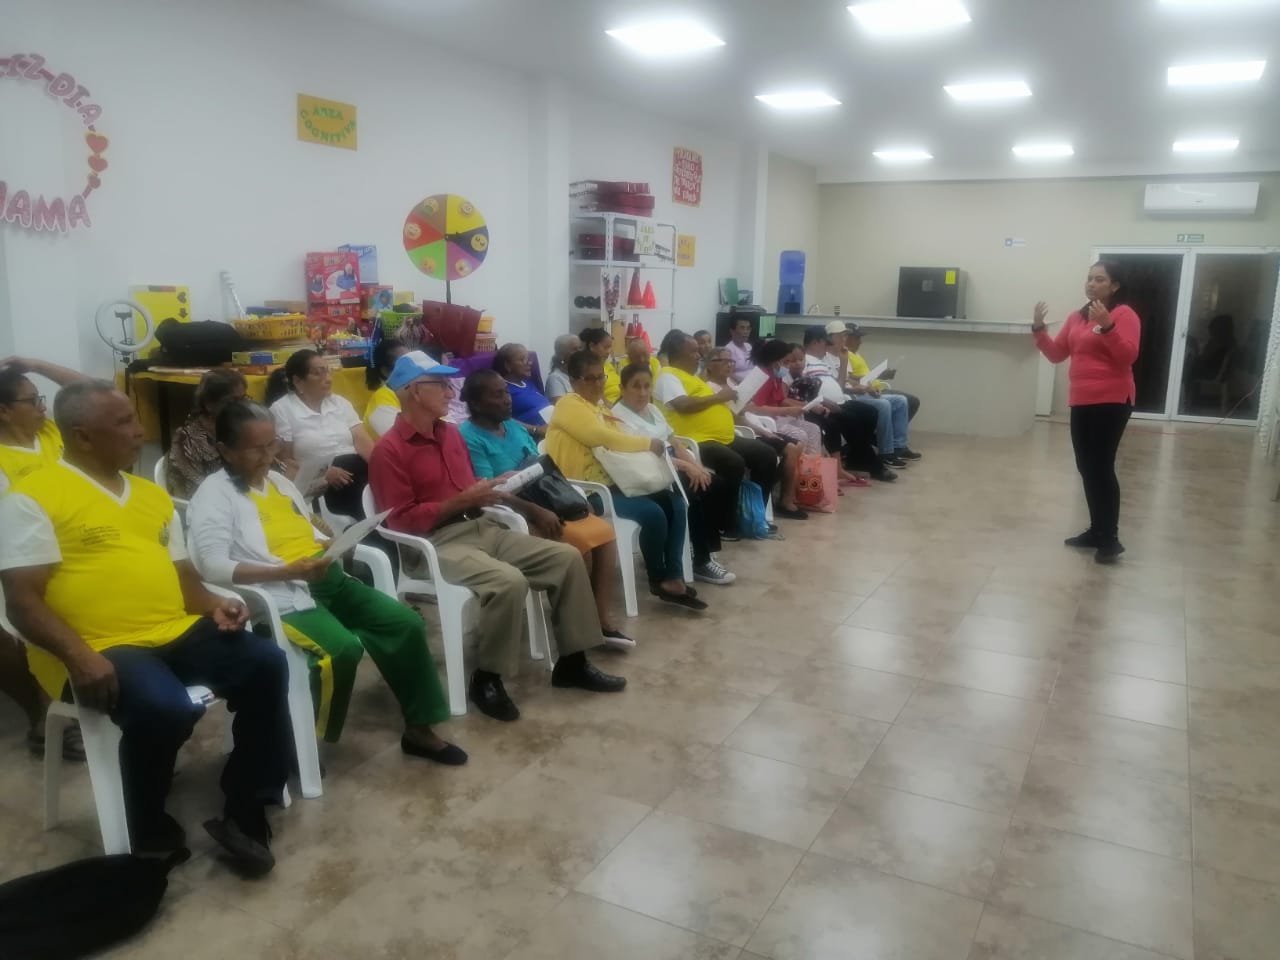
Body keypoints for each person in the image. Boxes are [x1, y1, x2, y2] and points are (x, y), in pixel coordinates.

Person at [0, 381, 291, 874]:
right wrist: (79, 657)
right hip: (96, 645)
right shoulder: (32, 498)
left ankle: (246, 807)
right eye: (124, 422)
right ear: (82, 435)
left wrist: (216, 604)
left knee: (265, 662)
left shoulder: (152, 497)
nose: (139, 431)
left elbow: (185, 582)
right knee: (163, 707)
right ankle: (146, 823)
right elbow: (21, 603)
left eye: (134, 419)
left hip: (171, 628)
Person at [187, 401, 463, 763]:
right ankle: (296, 747)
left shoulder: (279, 483)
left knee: (405, 623)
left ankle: (419, 728)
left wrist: (333, 544)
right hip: (281, 593)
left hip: (326, 578)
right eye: (257, 449)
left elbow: (305, 529)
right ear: (225, 450)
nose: (269, 457)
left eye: (272, 445)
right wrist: (286, 572)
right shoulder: (214, 495)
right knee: (341, 650)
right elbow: (212, 566)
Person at [368, 351, 626, 722]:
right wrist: (462, 500)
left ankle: (573, 662)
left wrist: (490, 487)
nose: (450, 392)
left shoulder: (449, 434)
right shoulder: (388, 451)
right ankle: (487, 677)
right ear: (413, 391)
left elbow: (465, 487)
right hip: (433, 545)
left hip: (481, 526)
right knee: (508, 581)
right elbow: (399, 522)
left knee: (566, 557)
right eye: (440, 384)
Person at [458, 369, 631, 646]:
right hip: (508, 513)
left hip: (544, 498)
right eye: (497, 395)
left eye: (506, 392)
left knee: (604, 534)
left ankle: (600, 619)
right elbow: (489, 491)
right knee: (578, 548)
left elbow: (543, 467)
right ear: (476, 404)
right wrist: (534, 511)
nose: (507, 399)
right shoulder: (468, 437)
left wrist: (572, 495)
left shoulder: (512, 426)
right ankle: (577, 631)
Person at [548, 351, 706, 610]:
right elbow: (600, 437)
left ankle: (673, 576)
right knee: (653, 513)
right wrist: (648, 443)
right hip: (586, 491)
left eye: (601, 377)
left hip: (616, 482)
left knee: (675, 502)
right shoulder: (569, 404)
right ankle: (658, 578)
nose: (598, 384)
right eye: (590, 378)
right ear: (574, 381)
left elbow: (620, 442)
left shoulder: (600, 407)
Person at [0, 356, 88, 760]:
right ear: (4, 411)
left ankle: (79, 701)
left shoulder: (51, 433)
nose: (41, 407)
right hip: (22, 556)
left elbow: (89, 391)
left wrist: (33, 365)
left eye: (41, 398)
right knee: (14, 623)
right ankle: (45, 716)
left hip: (78, 543)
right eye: (32, 400)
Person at [1032, 260, 1141, 564]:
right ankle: (1096, 531)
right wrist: (1039, 329)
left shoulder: (1124, 314)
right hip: (1081, 401)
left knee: (1101, 467)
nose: (1092, 284)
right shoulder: (1076, 318)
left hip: (1112, 400)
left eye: (1100, 279)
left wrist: (1108, 327)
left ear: (1114, 286)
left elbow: (1127, 356)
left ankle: (1110, 539)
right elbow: (1056, 354)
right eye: (1089, 278)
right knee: (1086, 467)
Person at [612, 363, 736, 586]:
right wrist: (688, 468)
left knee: (715, 484)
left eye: (647, 386)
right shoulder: (619, 418)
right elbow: (647, 457)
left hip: (672, 465)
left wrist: (697, 466)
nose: (642, 392)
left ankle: (701, 547)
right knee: (695, 491)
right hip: (650, 473)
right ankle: (701, 561)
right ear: (622, 388)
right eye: (636, 386)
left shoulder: (652, 410)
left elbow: (674, 442)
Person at [655, 330, 789, 536]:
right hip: (697, 439)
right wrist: (719, 397)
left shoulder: (693, 379)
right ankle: (727, 524)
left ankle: (754, 516)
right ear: (678, 353)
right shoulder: (669, 376)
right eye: (693, 352)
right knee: (734, 463)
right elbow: (683, 405)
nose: (699, 356)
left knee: (767, 455)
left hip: (724, 436)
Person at [266, 349, 375, 520]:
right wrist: (323, 474)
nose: (328, 379)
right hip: (321, 484)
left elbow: (363, 441)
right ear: (298, 381)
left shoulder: (340, 403)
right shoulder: (282, 410)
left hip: (355, 470)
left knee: (381, 487)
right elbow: (285, 461)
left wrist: (382, 467)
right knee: (362, 500)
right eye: (318, 373)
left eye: (328, 371)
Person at [703, 347, 808, 520]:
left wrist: (754, 415)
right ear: (709, 365)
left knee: (797, 445)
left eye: (731, 361)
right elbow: (734, 417)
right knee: (788, 449)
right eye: (724, 361)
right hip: (744, 430)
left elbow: (748, 408)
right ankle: (781, 502)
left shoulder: (731, 384)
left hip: (755, 424)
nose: (729, 365)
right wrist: (763, 431)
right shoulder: (710, 389)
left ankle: (777, 498)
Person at [795, 333, 895, 483]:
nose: (827, 348)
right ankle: (874, 465)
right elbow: (805, 391)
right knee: (851, 420)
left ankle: (856, 458)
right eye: (825, 344)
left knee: (870, 412)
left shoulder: (822, 362)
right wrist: (825, 402)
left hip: (840, 400)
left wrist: (844, 362)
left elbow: (840, 386)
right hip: (822, 405)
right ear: (815, 342)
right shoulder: (803, 361)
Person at [824, 320, 914, 468]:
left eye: (845, 336)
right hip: (848, 396)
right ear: (829, 338)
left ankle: (899, 446)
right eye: (840, 336)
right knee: (883, 405)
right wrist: (858, 388)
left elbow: (849, 379)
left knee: (900, 400)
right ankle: (886, 453)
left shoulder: (844, 354)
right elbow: (836, 387)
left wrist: (866, 387)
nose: (844, 339)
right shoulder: (826, 358)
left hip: (858, 391)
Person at [166, 368, 249, 499]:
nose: (242, 407)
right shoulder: (187, 440)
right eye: (233, 401)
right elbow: (193, 493)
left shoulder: (240, 430)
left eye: (244, 399)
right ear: (209, 404)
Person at [843, 322, 923, 445]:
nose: (860, 342)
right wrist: (877, 376)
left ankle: (893, 439)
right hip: (866, 391)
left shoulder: (856, 354)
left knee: (909, 401)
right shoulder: (844, 355)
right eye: (857, 338)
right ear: (847, 337)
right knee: (911, 401)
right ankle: (887, 438)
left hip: (876, 387)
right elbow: (848, 378)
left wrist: (881, 375)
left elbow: (863, 375)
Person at [491, 343, 552, 437]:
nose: (529, 363)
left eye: (528, 359)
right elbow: (503, 420)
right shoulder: (503, 389)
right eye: (522, 359)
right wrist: (536, 429)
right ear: (507, 366)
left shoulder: (528, 382)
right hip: (536, 436)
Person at [363, 338, 409, 439]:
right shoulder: (382, 400)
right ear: (385, 371)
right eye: (406, 365)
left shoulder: (409, 391)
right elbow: (402, 440)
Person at [579, 327, 621, 407]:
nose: (609, 351)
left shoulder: (607, 364)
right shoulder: (587, 370)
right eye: (605, 347)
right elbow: (599, 399)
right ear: (592, 346)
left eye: (610, 347)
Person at [544, 333, 581, 403]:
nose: (579, 352)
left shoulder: (581, 375)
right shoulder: (555, 379)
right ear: (561, 354)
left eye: (580, 348)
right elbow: (561, 406)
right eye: (575, 349)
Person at [724, 316, 755, 382]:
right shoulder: (727, 350)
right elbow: (727, 374)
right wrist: (744, 382)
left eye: (748, 328)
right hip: (739, 384)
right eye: (742, 328)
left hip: (754, 382)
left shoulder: (749, 346)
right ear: (732, 331)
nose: (746, 332)